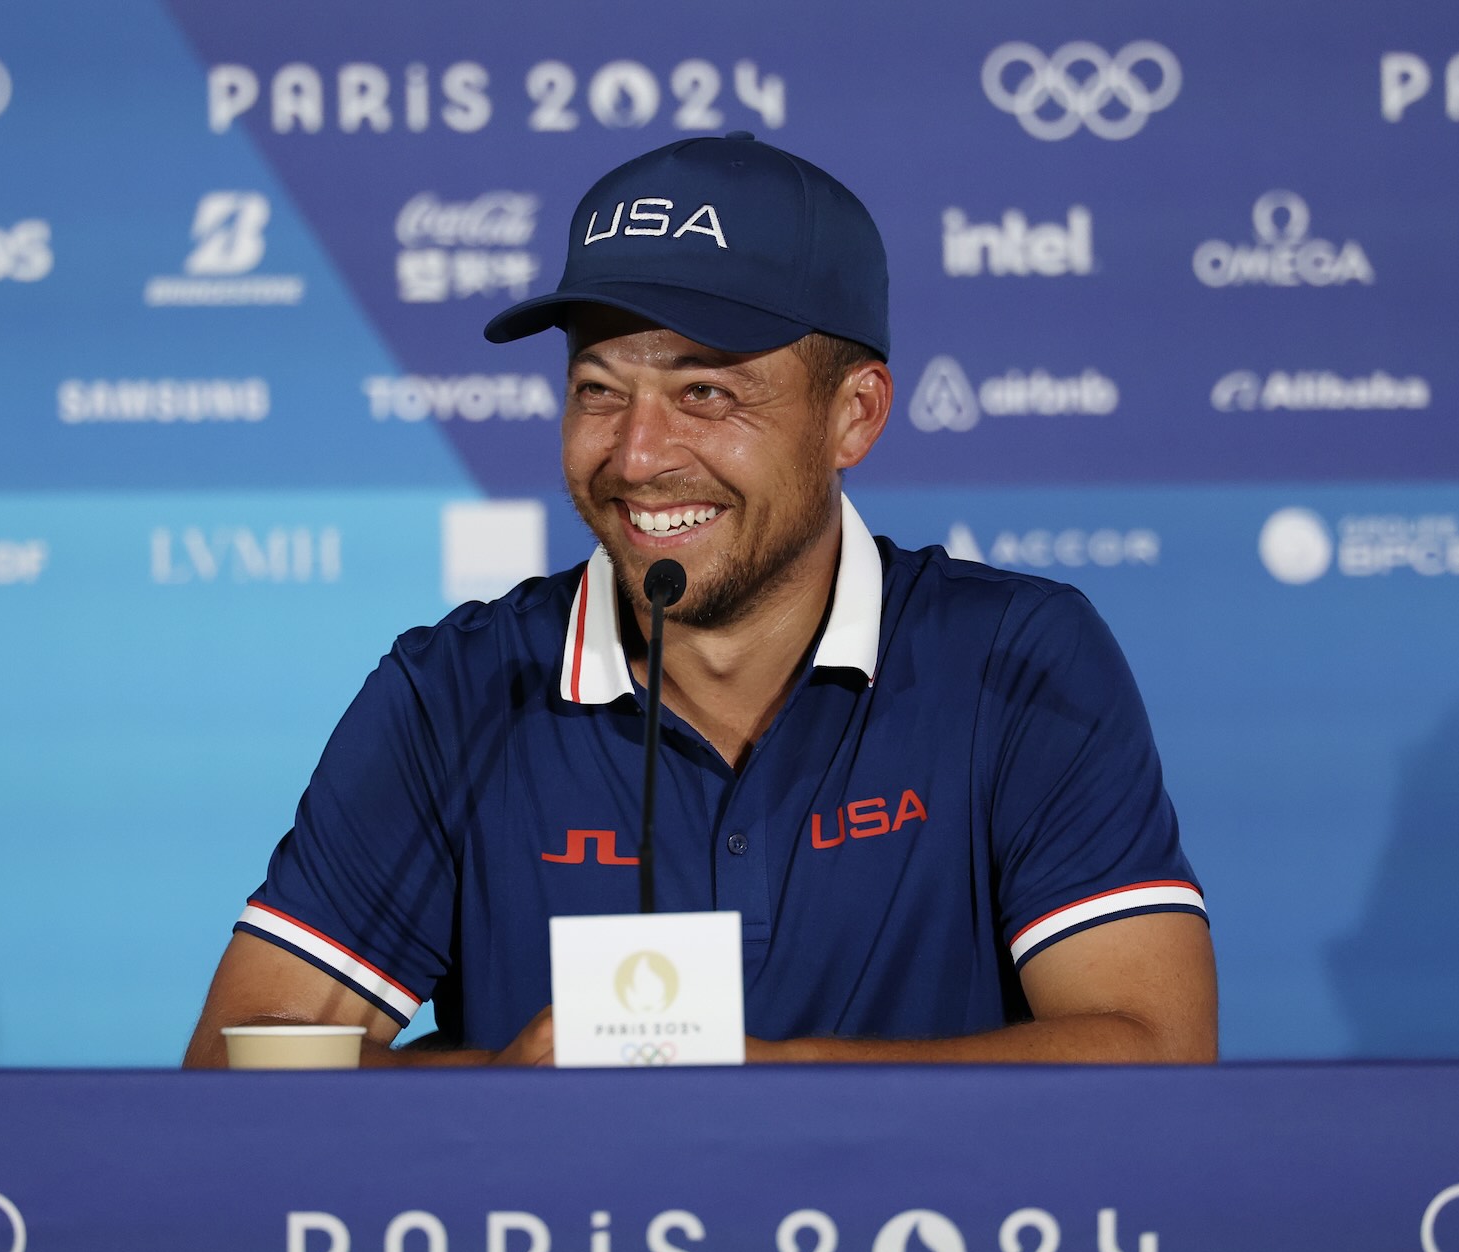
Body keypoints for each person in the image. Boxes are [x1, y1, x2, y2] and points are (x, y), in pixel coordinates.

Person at [184, 133, 1214, 1068]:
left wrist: (768, 1089)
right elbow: (242, 1075)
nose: (635, 456)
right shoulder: (452, 692)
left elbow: (1156, 1051)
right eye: (598, 389)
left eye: (705, 393)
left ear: (853, 415)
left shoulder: (1015, 659)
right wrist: (496, 1090)